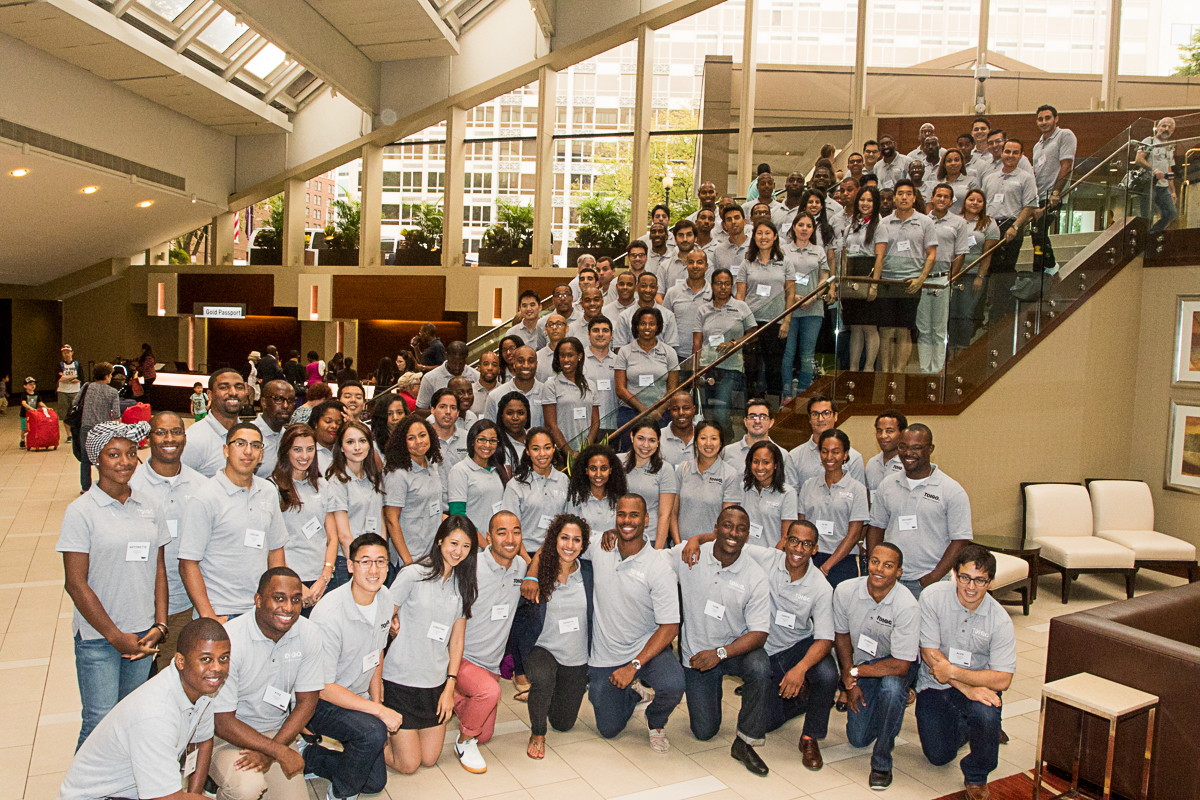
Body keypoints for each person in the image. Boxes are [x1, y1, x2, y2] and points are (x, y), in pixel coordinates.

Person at [681, 518, 837, 769]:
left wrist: (800, 669)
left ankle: (810, 738)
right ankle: (802, 700)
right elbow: (730, 540)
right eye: (794, 541)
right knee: (761, 722)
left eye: (806, 544)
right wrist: (695, 539)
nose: (798, 549)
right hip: (760, 647)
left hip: (795, 649)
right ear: (784, 542)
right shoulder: (765, 558)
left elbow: (825, 639)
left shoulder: (821, 586)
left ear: (815, 549)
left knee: (828, 674)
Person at [58, 420, 166, 747]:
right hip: (99, 638)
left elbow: (159, 568)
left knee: (130, 721)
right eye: (113, 454)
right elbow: (75, 584)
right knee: (99, 723)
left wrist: (160, 624)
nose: (125, 461)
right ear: (96, 459)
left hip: (142, 634)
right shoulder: (81, 512)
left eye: (131, 453)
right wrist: (115, 637)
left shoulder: (149, 505)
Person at [56, 619, 231, 800]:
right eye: (206, 659)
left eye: (224, 658)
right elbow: (168, 798)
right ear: (180, 661)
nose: (217, 668)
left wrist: (194, 793)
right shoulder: (156, 715)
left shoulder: (201, 688)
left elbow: (202, 742)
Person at [667, 506, 772, 774]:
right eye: (727, 526)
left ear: (747, 535)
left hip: (734, 652)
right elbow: (649, 560)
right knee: (704, 732)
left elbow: (759, 633)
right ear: (715, 528)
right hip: (698, 655)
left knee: (760, 666)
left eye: (741, 529)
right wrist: (614, 536)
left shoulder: (755, 576)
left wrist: (720, 654)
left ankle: (745, 741)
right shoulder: (689, 555)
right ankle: (711, 691)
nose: (733, 533)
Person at [210, 568, 322, 800]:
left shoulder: (308, 633)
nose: (288, 608)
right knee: (247, 788)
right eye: (279, 598)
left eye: (296, 600)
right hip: (225, 737)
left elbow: (307, 703)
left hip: (275, 733)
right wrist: (277, 751)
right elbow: (222, 722)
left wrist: (272, 750)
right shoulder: (230, 639)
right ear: (258, 600)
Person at [583, 495, 684, 750]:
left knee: (673, 684)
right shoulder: (600, 546)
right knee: (609, 729)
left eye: (634, 515)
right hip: (607, 655)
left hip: (646, 650)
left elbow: (670, 626)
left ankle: (656, 720)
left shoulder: (658, 567)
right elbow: (559, 541)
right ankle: (634, 693)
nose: (627, 520)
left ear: (646, 519)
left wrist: (634, 666)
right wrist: (532, 575)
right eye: (622, 514)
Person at [916, 545, 1016, 800]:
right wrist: (965, 687)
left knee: (986, 712)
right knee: (938, 756)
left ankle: (976, 775)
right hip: (934, 684)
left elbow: (1003, 679)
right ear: (954, 574)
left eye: (980, 580)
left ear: (990, 582)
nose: (971, 587)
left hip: (977, 685)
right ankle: (973, 728)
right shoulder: (932, 597)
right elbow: (929, 653)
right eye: (965, 578)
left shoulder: (1000, 620)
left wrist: (954, 673)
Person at [305, 534, 398, 798]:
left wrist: (377, 705)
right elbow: (323, 687)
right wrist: (378, 713)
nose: (374, 570)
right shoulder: (329, 614)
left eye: (381, 561)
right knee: (372, 733)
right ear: (350, 565)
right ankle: (340, 793)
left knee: (374, 783)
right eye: (365, 561)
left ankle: (311, 758)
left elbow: (377, 655)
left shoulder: (385, 598)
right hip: (317, 701)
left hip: (355, 696)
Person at [382, 516, 478, 774]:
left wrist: (450, 686)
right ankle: (369, 742)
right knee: (409, 764)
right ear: (440, 541)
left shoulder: (462, 584)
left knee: (429, 758)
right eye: (453, 543)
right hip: (400, 680)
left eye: (466, 546)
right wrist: (391, 623)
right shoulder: (413, 574)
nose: (458, 551)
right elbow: (383, 615)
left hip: (435, 683)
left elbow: (457, 640)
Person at [833, 543, 921, 790]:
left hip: (897, 663)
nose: (879, 569)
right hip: (863, 665)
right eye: (875, 562)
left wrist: (854, 673)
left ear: (899, 572)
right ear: (867, 563)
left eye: (888, 565)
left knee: (892, 688)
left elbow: (901, 665)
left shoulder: (907, 605)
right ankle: (894, 701)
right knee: (858, 739)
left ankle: (882, 762)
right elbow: (841, 636)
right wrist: (850, 682)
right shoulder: (845, 591)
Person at [179, 423, 287, 621]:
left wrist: (276, 601)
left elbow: (275, 550)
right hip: (221, 611)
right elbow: (188, 564)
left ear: (261, 454)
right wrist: (208, 616)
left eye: (256, 445)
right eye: (240, 443)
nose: (248, 451)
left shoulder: (268, 491)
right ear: (226, 450)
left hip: (260, 609)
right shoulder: (205, 497)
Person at [451, 511, 527, 772]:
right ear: (488, 537)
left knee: (484, 734)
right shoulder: (470, 566)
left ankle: (455, 698)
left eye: (516, 532)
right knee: (490, 693)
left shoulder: (520, 567)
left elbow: (542, 562)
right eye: (501, 532)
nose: (510, 539)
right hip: (461, 657)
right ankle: (463, 742)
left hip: (490, 665)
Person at [513, 514, 594, 760]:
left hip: (576, 655)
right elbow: (519, 620)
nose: (570, 545)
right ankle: (537, 734)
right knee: (543, 678)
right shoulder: (537, 573)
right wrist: (519, 667)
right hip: (543, 647)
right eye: (564, 538)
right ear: (554, 540)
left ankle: (546, 693)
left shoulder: (590, 573)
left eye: (576, 540)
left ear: (583, 544)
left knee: (563, 723)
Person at [130, 412, 206, 668]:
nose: (169, 438)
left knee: (174, 679)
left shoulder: (202, 486)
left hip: (185, 604)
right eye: (161, 432)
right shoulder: (132, 485)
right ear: (149, 438)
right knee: (138, 684)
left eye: (176, 432)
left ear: (185, 438)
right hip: (139, 607)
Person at [866, 423, 972, 599]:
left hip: (929, 582)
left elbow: (960, 541)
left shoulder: (951, 490)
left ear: (930, 449)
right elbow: (876, 527)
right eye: (903, 447)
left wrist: (933, 577)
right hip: (889, 580)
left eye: (916, 448)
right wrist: (876, 567)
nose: (908, 453)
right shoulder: (887, 485)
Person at [271, 424, 337, 614]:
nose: (305, 456)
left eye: (310, 449)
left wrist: (325, 577)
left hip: (321, 581)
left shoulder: (322, 485)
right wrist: (296, 584)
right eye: (297, 449)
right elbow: (272, 545)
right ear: (286, 451)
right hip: (286, 580)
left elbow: (332, 538)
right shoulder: (272, 488)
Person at [799, 429, 870, 589]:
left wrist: (825, 568)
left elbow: (854, 535)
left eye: (835, 452)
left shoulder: (857, 489)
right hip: (810, 559)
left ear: (845, 454)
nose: (829, 457)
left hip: (844, 561)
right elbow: (801, 526)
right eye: (825, 451)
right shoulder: (808, 486)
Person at [981, 139, 1039, 324]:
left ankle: (998, 316)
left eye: (1015, 152)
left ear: (1021, 155)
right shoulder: (990, 178)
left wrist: (1016, 227)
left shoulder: (1026, 178)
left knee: (1003, 271)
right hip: (989, 226)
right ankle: (980, 315)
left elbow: (1029, 206)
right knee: (986, 268)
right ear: (1002, 153)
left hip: (1011, 227)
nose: (1010, 155)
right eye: (1007, 151)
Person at [694, 268, 757, 438]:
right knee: (709, 414)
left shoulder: (741, 307)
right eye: (719, 283)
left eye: (727, 284)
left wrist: (734, 343)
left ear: (732, 286)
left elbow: (754, 334)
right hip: (707, 367)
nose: (723, 287)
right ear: (712, 285)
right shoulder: (703, 310)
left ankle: (727, 439)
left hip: (731, 368)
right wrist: (696, 370)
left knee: (721, 411)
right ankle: (717, 443)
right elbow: (697, 342)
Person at [736, 220, 795, 399]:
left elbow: (791, 294)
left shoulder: (785, 263)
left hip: (776, 322)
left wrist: (786, 321)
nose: (763, 237)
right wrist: (741, 324)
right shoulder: (746, 263)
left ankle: (773, 408)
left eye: (767, 233)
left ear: (775, 236)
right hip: (752, 324)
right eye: (759, 233)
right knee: (751, 370)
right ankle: (751, 407)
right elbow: (740, 296)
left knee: (774, 369)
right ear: (754, 237)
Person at [325, 420, 387, 588]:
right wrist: (360, 565)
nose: (357, 447)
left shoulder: (373, 477)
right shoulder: (337, 481)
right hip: (349, 562)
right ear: (341, 448)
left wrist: (381, 559)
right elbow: (343, 535)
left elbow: (380, 521)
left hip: (374, 560)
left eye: (362, 441)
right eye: (350, 442)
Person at [917, 183, 970, 375]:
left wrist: (950, 278)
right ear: (932, 198)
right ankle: (925, 370)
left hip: (942, 280)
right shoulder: (921, 220)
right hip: (922, 280)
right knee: (923, 328)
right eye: (938, 195)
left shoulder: (959, 223)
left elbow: (960, 253)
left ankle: (937, 369)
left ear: (951, 201)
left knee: (939, 329)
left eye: (946, 196)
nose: (941, 199)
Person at [382, 414, 445, 569]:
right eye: (411, 438)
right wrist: (408, 561)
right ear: (402, 442)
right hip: (412, 556)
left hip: (433, 553)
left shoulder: (432, 466)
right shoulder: (398, 474)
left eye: (422, 435)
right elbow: (391, 520)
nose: (418, 441)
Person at [781, 212, 831, 398]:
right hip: (789, 309)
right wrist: (793, 297)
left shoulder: (819, 251)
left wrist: (813, 297)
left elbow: (824, 278)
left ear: (813, 229)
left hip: (813, 309)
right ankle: (786, 395)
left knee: (807, 354)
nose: (804, 229)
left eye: (808, 226)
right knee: (788, 352)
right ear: (794, 227)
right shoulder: (783, 250)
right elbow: (779, 277)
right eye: (800, 225)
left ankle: (803, 396)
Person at [613, 307, 680, 443]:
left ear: (658, 327)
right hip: (630, 412)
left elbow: (673, 389)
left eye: (651, 324)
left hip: (661, 413)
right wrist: (643, 409)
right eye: (643, 323)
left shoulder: (669, 352)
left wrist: (658, 410)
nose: (647, 327)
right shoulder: (625, 352)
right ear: (636, 326)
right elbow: (620, 389)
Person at [501, 427, 568, 556]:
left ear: (554, 448)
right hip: (524, 553)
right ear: (527, 451)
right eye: (536, 449)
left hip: (557, 553)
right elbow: (510, 528)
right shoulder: (515, 485)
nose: (542, 454)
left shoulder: (564, 480)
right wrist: (528, 562)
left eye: (547, 448)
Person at [948, 189, 1001, 355]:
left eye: (979, 201)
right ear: (965, 202)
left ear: (984, 204)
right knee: (951, 313)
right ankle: (950, 350)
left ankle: (962, 350)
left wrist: (980, 276)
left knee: (965, 314)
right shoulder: (954, 220)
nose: (975, 203)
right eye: (971, 199)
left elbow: (987, 253)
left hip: (973, 275)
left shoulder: (989, 223)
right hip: (953, 274)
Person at [675, 421, 743, 541]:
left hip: (713, 547)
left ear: (721, 442)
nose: (708, 443)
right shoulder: (683, 469)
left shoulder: (729, 474)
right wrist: (677, 543)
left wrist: (698, 542)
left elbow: (728, 521)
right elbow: (673, 513)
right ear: (695, 442)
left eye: (714, 438)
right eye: (703, 438)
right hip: (681, 546)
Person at [1031, 104, 1077, 274]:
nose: (1044, 122)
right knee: (1036, 234)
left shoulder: (1065, 135)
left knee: (1039, 232)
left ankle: (1050, 266)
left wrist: (1056, 193)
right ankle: (1039, 269)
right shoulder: (1037, 146)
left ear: (1056, 119)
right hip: (1038, 196)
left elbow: (1066, 165)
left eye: (1047, 118)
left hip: (1053, 196)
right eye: (1040, 119)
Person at [785, 394, 866, 489]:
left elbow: (857, 494)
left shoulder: (853, 458)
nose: (820, 419)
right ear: (810, 419)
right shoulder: (794, 457)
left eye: (826, 413)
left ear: (835, 416)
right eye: (815, 414)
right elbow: (791, 495)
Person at [181, 369, 248, 478]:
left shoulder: (250, 435)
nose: (233, 392)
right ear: (210, 395)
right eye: (224, 387)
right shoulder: (193, 440)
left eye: (239, 387)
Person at [622, 420, 678, 548]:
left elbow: (664, 515)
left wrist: (657, 551)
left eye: (652, 440)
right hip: (621, 538)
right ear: (632, 437)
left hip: (651, 540)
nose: (645, 445)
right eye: (641, 438)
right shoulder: (617, 462)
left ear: (658, 441)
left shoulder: (665, 469)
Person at [448, 419, 507, 536]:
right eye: (482, 439)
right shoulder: (460, 470)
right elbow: (458, 515)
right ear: (472, 441)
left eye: (492, 440)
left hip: (496, 540)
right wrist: (483, 543)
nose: (487, 445)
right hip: (473, 541)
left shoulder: (499, 469)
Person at [544, 337, 600, 452]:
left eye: (570, 355)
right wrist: (569, 453)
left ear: (579, 356)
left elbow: (595, 423)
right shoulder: (551, 385)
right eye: (562, 355)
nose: (566, 359)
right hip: (561, 452)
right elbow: (551, 425)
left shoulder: (591, 385)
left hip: (585, 451)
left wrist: (585, 449)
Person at [73, 363, 122, 492]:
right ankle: (105, 486)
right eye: (110, 375)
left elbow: (75, 402)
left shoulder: (87, 387)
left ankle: (85, 488)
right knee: (105, 459)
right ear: (106, 376)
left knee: (85, 459)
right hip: (103, 430)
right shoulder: (113, 392)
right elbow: (116, 415)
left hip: (86, 427)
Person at [739, 440, 797, 549]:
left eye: (766, 462)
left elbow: (786, 537)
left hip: (771, 555)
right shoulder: (743, 488)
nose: (760, 467)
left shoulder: (787, 493)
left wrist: (772, 557)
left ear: (775, 465)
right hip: (743, 553)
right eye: (756, 462)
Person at [662, 247, 712, 367]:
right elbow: (664, 324)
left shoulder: (714, 294)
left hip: (708, 357)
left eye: (699, 262)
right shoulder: (672, 293)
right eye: (691, 262)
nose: (695, 266)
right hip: (677, 356)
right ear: (686, 265)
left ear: (706, 266)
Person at [566, 444, 626, 538]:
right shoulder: (576, 498)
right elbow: (571, 531)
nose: (598, 474)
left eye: (603, 469)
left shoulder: (619, 498)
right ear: (586, 470)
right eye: (593, 469)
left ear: (610, 470)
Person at [614, 272, 680, 351]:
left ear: (657, 289)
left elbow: (670, 349)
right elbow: (620, 349)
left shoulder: (668, 315)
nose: (648, 290)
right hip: (631, 358)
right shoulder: (624, 316)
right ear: (637, 287)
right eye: (643, 286)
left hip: (660, 358)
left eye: (652, 286)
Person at [1135, 116, 1178, 234]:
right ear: (1157, 127)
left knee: (1171, 212)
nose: (1166, 129)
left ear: (1173, 130)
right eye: (1164, 126)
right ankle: (1145, 236)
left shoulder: (1170, 146)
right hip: (1149, 183)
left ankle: (1153, 233)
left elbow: (1169, 168)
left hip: (1163, 187)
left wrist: (1172, 190)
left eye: (1169, 127)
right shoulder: (1149, 141)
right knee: (1147, 215)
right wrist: (1154, 170)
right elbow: (1139, 159)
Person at [485, 345, 546, 427]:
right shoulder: (495, 396)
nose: (526, 365)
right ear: (514, 364)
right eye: (521, 361)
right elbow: (489, 430)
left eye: (531, 361)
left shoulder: (546, 392)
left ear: (536, 364)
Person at [415, 341, 479, 414]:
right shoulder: (430, 378)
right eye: (454, 362)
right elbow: (419, 410)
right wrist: (441, 413)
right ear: (446, 356)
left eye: (461, 363)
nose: (457, 367)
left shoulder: (476, 376)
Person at [722, 397, 781, 471]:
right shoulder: (727, 452)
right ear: (745, 421)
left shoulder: (781, 454)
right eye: (752, 417)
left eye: (762, 417)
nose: (757, 421)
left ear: (771, 422)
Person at [252, 380, 295, 478]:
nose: (286, 405)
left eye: (291, 400)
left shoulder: (289, 437)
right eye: (278, 399)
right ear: (263, 402)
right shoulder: (248, 435)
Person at [865, 410, 907, 506]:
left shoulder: (908, 464)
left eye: (889, 431)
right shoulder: (872, 463)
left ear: (903, 433)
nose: (883, 436)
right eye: (879, 431)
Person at [583, 315, 618, 429]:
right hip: (586, 427)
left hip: (614, 426)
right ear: (588, 334)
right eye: (596, 330)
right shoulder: (579, 361)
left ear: (612, 335)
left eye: (605, 331)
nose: (600, 334)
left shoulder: (619, 361)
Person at [429, 388, 469, 469]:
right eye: (442, 407)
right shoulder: (423, 439)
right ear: (433, 410)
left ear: (457, 413)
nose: (448, 412)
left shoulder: (468, 438)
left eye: (453, 408)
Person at [710, 205, 750, 276]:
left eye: (736, 218)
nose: (733, 222)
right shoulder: (718, 251)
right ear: (725, 225)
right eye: (729, 219)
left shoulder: (754, 248)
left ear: (744, 222)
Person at [936, 148, 979, 215]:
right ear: (944, 164)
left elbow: (977, 204)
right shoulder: (938, 183)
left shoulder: (972, 181)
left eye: (956, 160)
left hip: (965, 219)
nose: (953, 163)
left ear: (962, 163)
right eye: (949, 161)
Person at [659, 390, 697, 463]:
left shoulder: (704, 435)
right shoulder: (658, 437)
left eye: (686, 408)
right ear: (670, 411)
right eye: (675, 409)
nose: (681, 413)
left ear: (693, 410)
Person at [496, 391, 531, 468]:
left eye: (520, 413)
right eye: (509, 413)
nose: (515, 418)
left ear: (527, 415)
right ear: (501, 415)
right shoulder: (496, 443)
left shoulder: (535, 437)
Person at [310, 399, 345, 473]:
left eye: (338, 423)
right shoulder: (308, 451)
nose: (334, 426)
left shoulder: (345, 450)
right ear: (315, 423)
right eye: (328, 421)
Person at [534, 313, 569, 383]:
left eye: (559, 324)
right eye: (551, 325)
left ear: (566, 329)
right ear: (546, 330)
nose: (554, 327)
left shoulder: (574, 355)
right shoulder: (537, 357)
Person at [57, 344, 81, 442]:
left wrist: (66, 378)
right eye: (64, 353)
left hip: (75, 391)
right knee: (65, 414)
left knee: (75, 412)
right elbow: (59, 379)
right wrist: (73, 378)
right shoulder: (60, 365)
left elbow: (80, 378)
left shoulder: (77, 365)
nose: (66, 354)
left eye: (68, 352)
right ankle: (69, 434)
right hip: (63, 391)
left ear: (72, 353)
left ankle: (76, 432)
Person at [18, 376, 47, 448]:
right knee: (24, 428)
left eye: (34, 384)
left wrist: (46, 407)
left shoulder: (36, 394)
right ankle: (22, 440)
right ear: (25, 386)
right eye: (30, 384)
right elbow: (23, 403)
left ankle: (33, 439)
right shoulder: (24, 394)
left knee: (34, 427)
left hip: (33, 414)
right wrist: (30, 408)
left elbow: (40, 402)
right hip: (25, 414)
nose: (32, 386)